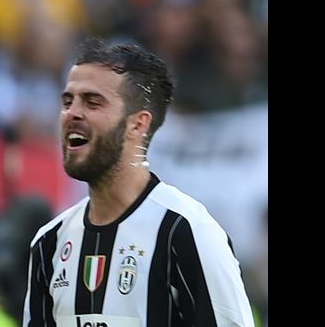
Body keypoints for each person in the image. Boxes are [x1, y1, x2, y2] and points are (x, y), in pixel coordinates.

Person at [21, 38, 255, 326]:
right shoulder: (50, 242)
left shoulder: (186, 232)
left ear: (138, 124)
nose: (72, 113)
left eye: (92, 102)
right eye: (67, 101)